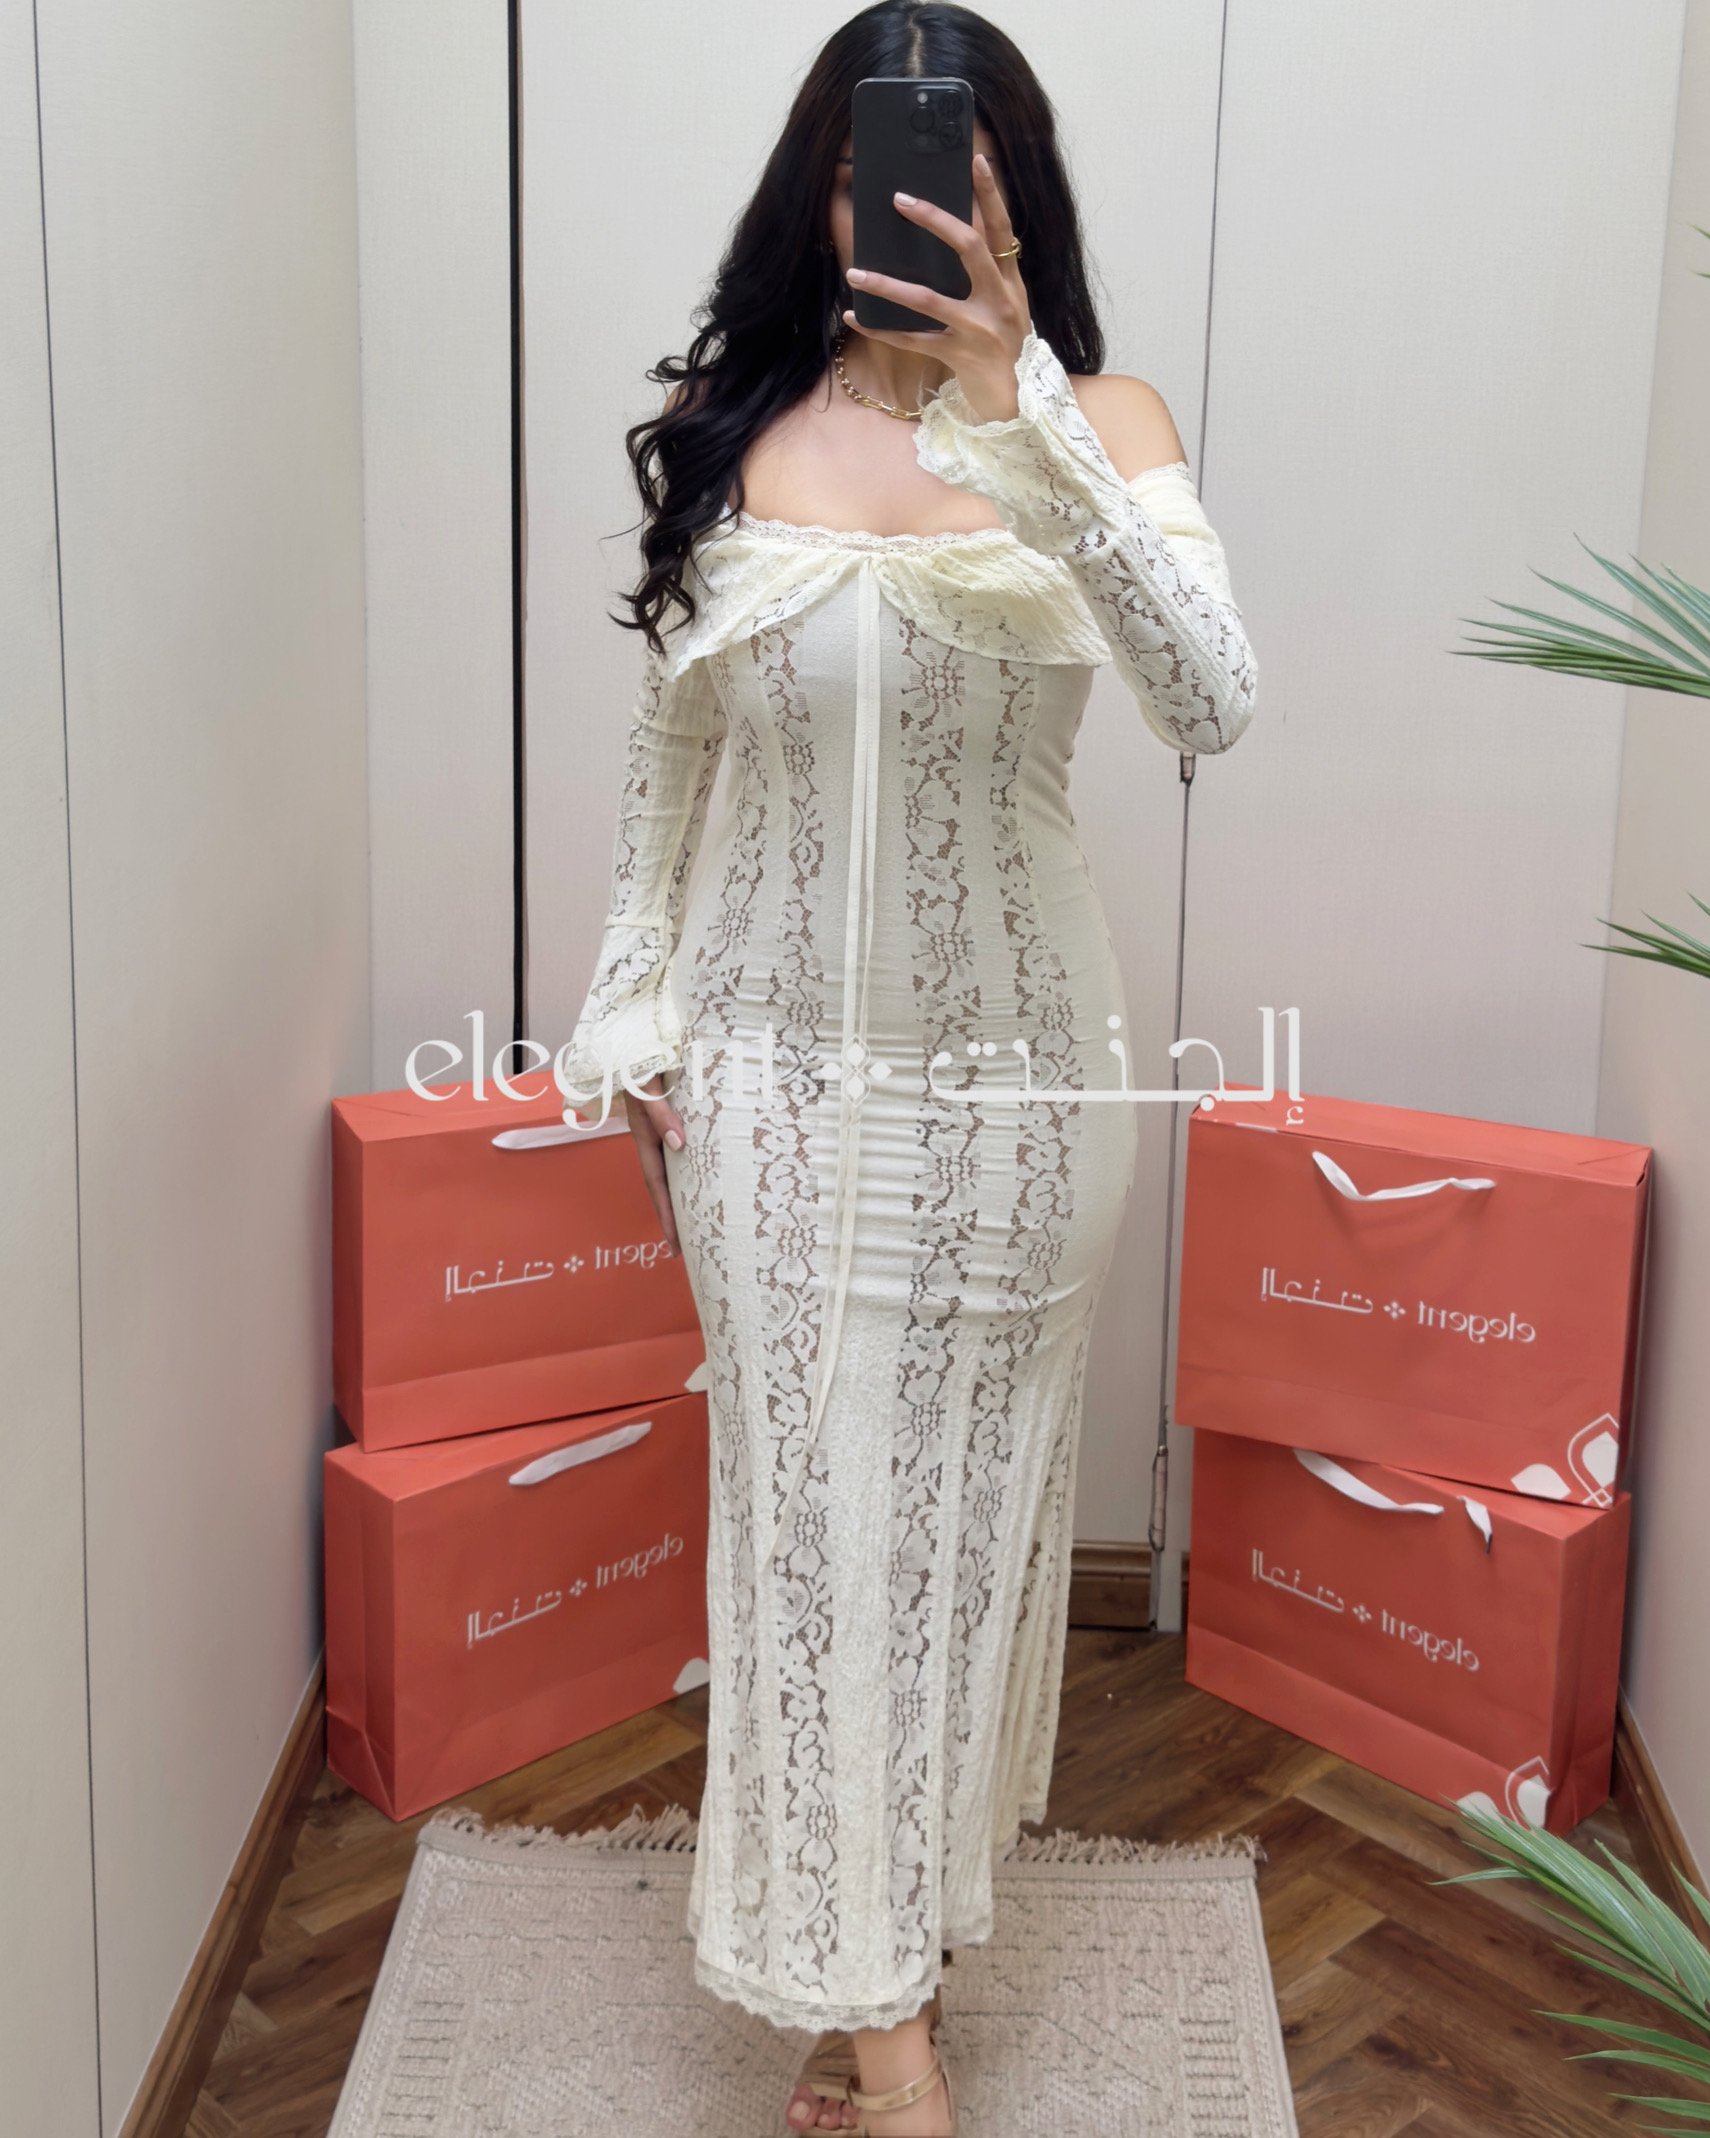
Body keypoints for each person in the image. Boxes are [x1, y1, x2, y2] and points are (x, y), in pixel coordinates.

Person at [559, 5, 1258, 2129]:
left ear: (1007, 196)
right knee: (808, 1544)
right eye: (875, 174)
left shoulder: (1100, 423)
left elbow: (1208, 699)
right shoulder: (726, 428)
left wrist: (1017, 407)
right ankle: (888, 2036)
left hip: (1025, 1102)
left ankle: (884, 1953)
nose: (913, 206)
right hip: (766, 1093)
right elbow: (673, 763)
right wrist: (633, 998)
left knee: (954, 1545)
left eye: (955, 172)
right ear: (822, 191)